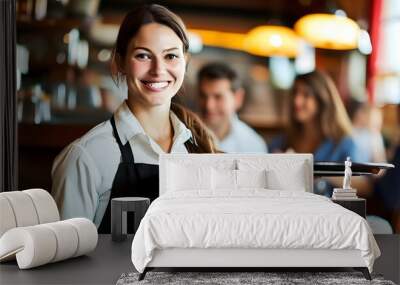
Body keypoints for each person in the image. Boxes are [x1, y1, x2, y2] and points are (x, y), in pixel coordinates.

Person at [51, 4, 218, 233]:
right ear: (120, 62)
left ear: (185, 62)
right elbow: (65, 261)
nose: (158, 70)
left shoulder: (197, 149)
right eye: (143, 55)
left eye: (170, 56)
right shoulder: (85, 157)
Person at [270, 70, 362, 162]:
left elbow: (355, 176)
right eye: (295, 93)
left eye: (306, 95)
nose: (296, 101)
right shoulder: (281, 142)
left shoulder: (344, 144)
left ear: (322, 100)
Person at [197, 62, 268, 153]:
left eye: (218, 97)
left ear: (238, 98)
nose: (209, 106)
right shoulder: (183, 137)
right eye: (203, 96)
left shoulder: (253, 145)